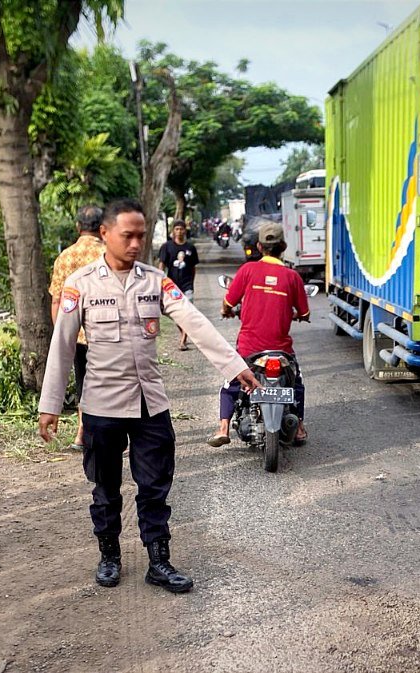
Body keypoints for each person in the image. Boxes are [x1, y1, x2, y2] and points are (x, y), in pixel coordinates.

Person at [38, 198, 261, 594]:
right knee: (105, 488)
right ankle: (109, 556)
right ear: (105, 234)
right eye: (128, 235)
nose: (136, 243)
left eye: (141, 235)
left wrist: (234, 366)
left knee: (155, 488)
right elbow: (63, 345)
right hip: (102, 405)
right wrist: (50, 405)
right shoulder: (80, 284)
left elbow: (194, 321)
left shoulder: (155, 280)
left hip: (149, 405)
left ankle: (159, 562)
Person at [208, 221, 310, 447]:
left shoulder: (247, 270)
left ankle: (223, 428)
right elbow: (304, 312)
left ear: (259, 247)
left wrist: (226, 311)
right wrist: (296, 315)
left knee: (232, 382)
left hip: (249, 348)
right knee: (296, 383)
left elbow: (228, 302)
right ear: (283, 247)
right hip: (281, 350)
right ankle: (300, 427)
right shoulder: (292, 276)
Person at [50, 204, 105, 451]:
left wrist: (63, 336)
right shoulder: (110, 254)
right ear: (103, 228)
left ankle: (82, 432)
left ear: (77, 226)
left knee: (83, 382)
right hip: (109, 332)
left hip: (77, 335)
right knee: (113, 383)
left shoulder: (66, 257)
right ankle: (115, 435)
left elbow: (57, 301)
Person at [157, 219, 200, 350]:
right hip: (172, 286)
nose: (179, 231)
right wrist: (159, 280)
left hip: (187, 285)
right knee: (176, 313)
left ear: (185, 231)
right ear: (173, 231)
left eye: (181, 229)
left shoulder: (190, 248)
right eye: (177, 229)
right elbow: (161, 265)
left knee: (187, 312)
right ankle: (183, 333)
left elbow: (193, 267)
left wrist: (191, 283)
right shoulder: (167, 247)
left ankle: (183, 340)